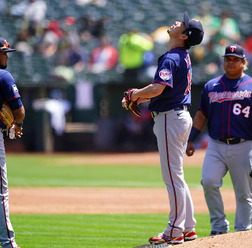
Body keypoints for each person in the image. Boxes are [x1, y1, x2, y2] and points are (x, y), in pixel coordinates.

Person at [122, 12, 204, 244]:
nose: (177, 22)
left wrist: (135, 94)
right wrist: (137, 96)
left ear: (185, 35)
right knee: (177, 176)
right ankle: (188, 227)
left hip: (170, 117)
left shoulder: (172, 57)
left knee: (172, 177)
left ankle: (174, 231)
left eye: (182, 24)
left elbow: (158, 88)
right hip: (177, 116)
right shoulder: (181, 56)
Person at [186, 44, 252, 236]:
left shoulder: (250, 85)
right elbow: (201, 115)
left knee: (244, 193)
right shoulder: (211, 86)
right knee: (208, 181)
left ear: (243, 62)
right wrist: (191, 139)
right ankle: (219, 227)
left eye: (235, 59)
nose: (230, 62)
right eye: (227, 59)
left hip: (244, 145)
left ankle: (242, 232)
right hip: (216, 145)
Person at [0, 38, 25, 248]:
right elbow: (19, 111)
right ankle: (8, 243)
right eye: (3, 52)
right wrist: (17, 124)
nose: (6, 56)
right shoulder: (3, 75)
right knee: (1, 191)